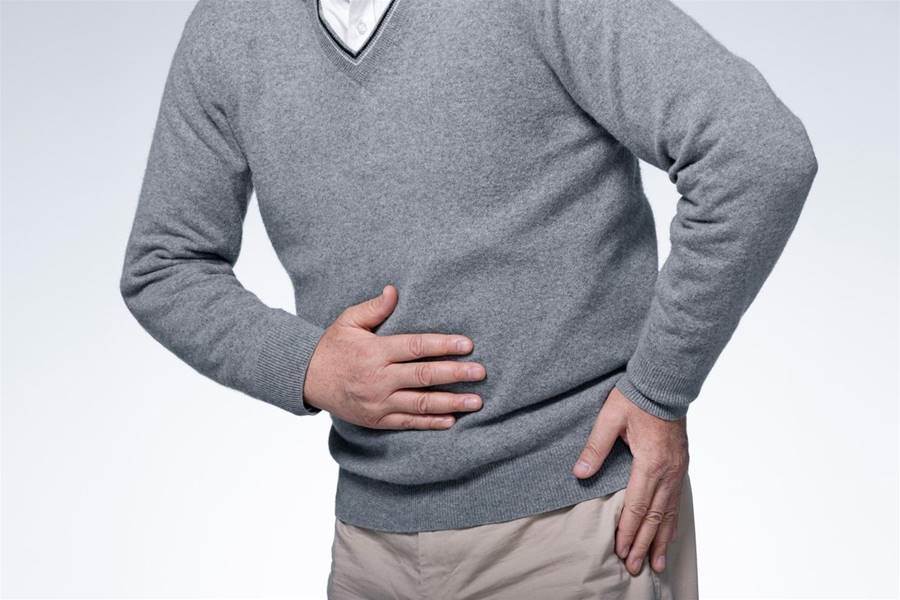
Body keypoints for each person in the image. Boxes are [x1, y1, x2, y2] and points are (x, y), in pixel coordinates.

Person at [119, 0, 818, 597]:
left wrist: (659, 391)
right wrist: (309, 367)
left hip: (575, 531)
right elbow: (164, 265)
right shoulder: (229, 25)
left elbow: (757, 154)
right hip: (370, 548)